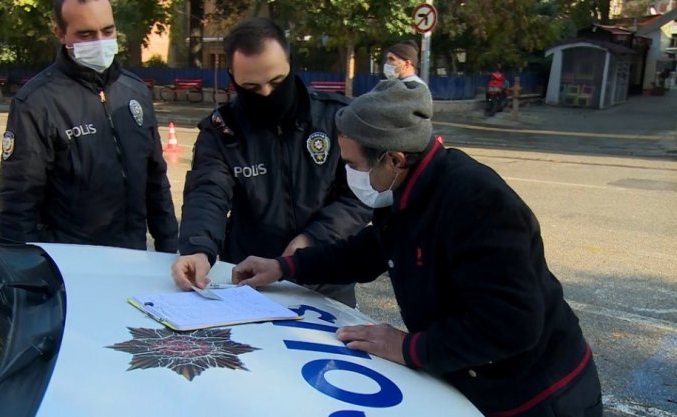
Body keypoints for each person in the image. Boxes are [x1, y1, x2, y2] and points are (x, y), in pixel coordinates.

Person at [232, 80, 603, 416]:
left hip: (543, 397)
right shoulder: (408, 191)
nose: (349, 175)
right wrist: (284, 268)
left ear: (394, 158)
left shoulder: (478, 203)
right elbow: (365, 252)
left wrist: (408, 348)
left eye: (352, 164)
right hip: (480, 383)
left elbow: (514, 325)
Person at [171, 18, 371, 307]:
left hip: (325, 280)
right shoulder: (222, 131)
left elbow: (359, 195)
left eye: (276, 82)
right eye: (252, 87)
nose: (266, 94)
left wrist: (313, 238)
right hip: (249, 281)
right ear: (233, 78)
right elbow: (207, 192)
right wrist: (198, 249)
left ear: (291, 64)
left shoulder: (337, 119)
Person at [0, 0, 178, 253]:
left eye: (108, 30)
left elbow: (156, 181)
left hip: (134, 256)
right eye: (86, 34)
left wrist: (170, 249)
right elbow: (17, 205)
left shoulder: (135, 91)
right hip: (73, 265)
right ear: (61, 34)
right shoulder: (37, 102)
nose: (100, 41)